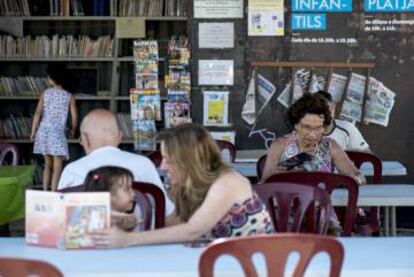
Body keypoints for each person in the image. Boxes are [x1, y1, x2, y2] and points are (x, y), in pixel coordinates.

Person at [90, 123, 274, 248]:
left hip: (254, 266)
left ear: (188, 161)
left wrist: (129, 239)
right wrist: (131, 222)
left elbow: (192, 230)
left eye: (169, 160)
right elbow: (172, 223)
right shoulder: (193, 185)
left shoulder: (227, 182)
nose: (162, 166)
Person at [57, 108, 174, 216]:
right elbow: (166, 212)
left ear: (86, 139)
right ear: (120, 137)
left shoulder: (71, 170)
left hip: (88, 237)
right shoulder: (144, 164)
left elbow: (59, 217)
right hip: (139, 237)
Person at [262, 93, 366, 185]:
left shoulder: (330, 146)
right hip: (288, 205)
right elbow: (266, 181)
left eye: (318, 128)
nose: (313, 134)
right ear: (296, 125)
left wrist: (357, 178)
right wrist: (300, 158)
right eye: (307, 127)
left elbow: (356, 175)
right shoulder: (280, 145)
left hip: (322, 205)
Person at [31, 63, 78, 191]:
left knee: (47, 165)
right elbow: (74, 117)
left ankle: (45, 191)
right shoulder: (69, 95)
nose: (47, 78)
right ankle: (54, 194)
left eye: (48, 76)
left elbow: (37, 113)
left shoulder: (45, 93)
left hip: (43, 132)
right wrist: (73, 130)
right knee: (57, 167)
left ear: (53, 78)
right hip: (57, 134)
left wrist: (33, 131)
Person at [84, 166, 141, 232]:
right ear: (107, 196)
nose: (134, 194)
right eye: (127, 189)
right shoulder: (90, 221)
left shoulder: (135, 212)